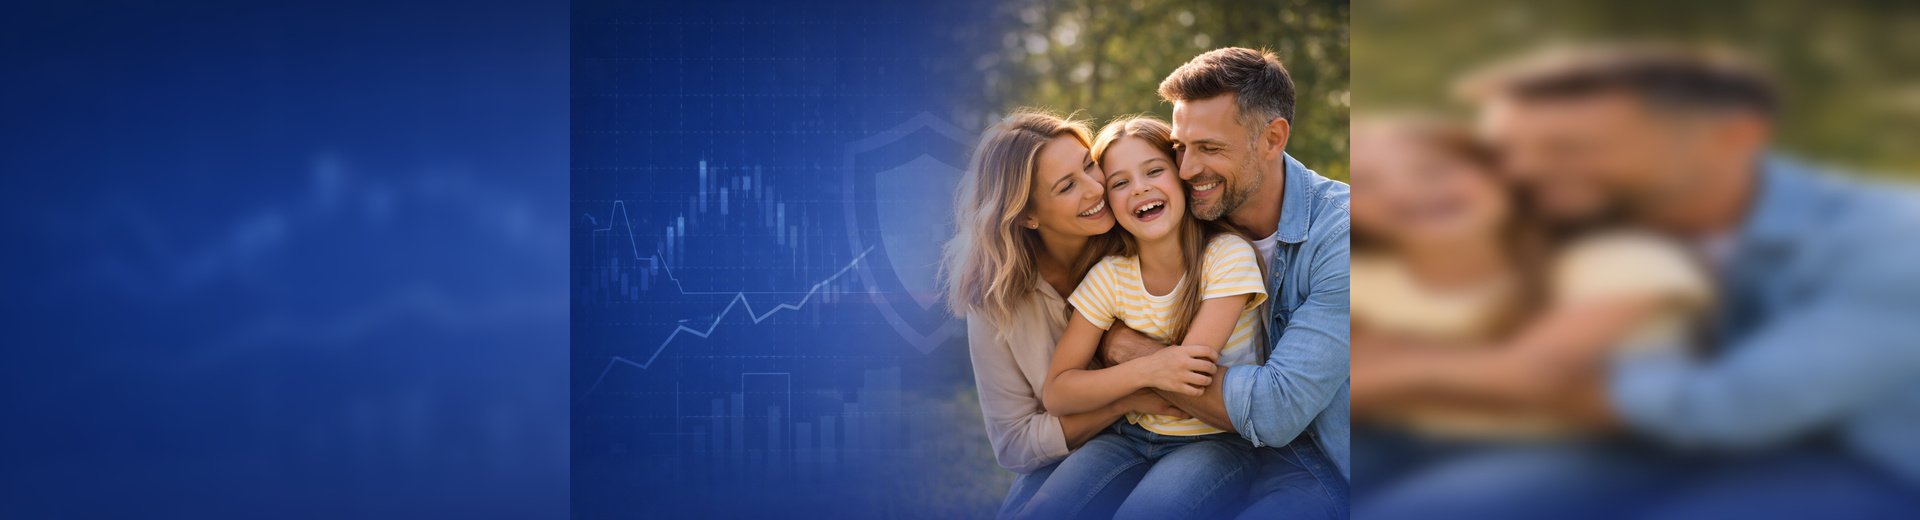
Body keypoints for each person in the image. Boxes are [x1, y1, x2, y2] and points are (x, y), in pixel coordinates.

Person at [1368, 44, 1920, 518]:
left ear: (1732, 137)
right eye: (1506, 150)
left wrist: (1499, 374)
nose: (1521, 172)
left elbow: (1727, 408)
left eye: (1569, 148)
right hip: (1649, 439)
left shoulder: (1892, 243)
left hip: (1868, 461)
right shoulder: (1581, 217)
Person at [1345, 116, 1713, 515]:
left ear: (1502, 175)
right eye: (1366, 183)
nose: (1404, 189)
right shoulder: (1361, 279)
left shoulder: (1622, 260)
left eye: (1433, 170)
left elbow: (1531, 375)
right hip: (1415, 439)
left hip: (1597, 448)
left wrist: (1400, 363)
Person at [1097, 47, 1351, 519]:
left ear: (1272, 138)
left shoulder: (1345, 237)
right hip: (1197, 436)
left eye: (1210, 148)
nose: (1186, 169)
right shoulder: (1183, 216)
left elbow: (1275, 412)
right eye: (1180, 147)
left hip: (1323, 459)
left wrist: (1128, 352)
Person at [943, 109, 1197, 518]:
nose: (1096, 188)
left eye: (1089, 165)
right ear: (1027, 215)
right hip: (1074, 449)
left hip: (1182, 437)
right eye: (1067, 186)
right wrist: (1124, 399)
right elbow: (1014, 442)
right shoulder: (995, 298)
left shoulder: (1142, 231)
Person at [1015, 117, 1267, 519]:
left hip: (1214, 442)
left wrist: (1133, 361)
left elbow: (1189, 376)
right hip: (1129, 435)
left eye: (1154, 171)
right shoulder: (1110, 276)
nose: (1139, 188)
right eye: (1119, 182)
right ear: (1109, 200)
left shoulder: (1226, 256)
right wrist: (1146, 371)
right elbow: (1058, 393)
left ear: (1181, 177)